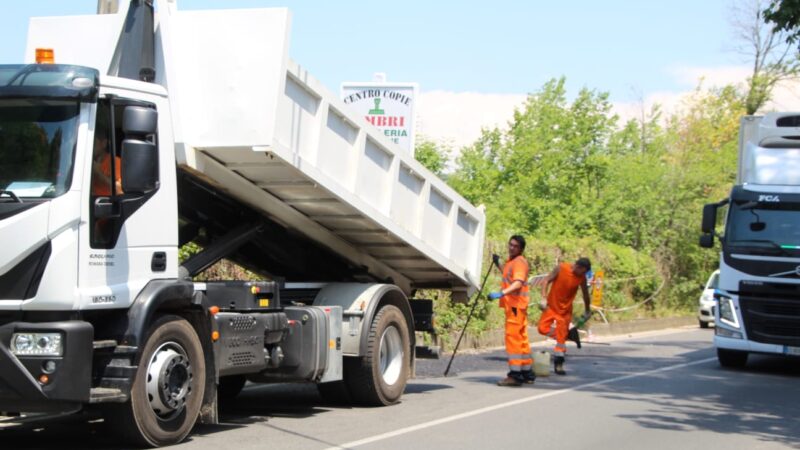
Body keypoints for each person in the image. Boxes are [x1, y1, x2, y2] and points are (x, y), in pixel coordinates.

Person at [488, 235, 534, 386]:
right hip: (517, 306)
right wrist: (498, 264)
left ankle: (515, 375)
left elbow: (518, 283)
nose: (511, 247)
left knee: (513, 339)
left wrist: (502, 293)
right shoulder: (512, 262)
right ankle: (527, 372)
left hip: (515, 306)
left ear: (521, 249)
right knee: (521, 338)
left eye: (515, 246)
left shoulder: (519, 262)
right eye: (510, 244)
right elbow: (508, 275)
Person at [537, 257, 592, 375]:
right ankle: (568, 334)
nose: (583, 275)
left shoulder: (581, 278)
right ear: (578, 266)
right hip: (551, 307)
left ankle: (559, 364)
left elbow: (585, 295)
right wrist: (543, 298)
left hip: (565, 312)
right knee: (541, 328)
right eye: (583, 272)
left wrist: (587, 310)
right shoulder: (561, 268)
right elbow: (546, 281)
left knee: (561, 341)